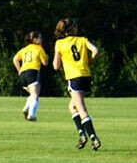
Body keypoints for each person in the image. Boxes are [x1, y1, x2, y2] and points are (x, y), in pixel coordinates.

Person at [52, 18, 101, 150]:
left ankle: (93, 137)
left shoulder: (59, 43)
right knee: (72, 107)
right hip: (86, 76)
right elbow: (95, 50)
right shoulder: (82, 40)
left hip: (74, 78)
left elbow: (55, 66)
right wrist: (90, 60)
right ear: (72, 29)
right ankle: (82, 134)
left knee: (81, 109)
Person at [13, 30, 47, 121]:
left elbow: (15, 59)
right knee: (35, 95)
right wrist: (46, 57)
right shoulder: (39, 48)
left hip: (23, 74)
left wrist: (19, 70)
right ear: (35, 39)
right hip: (32, 71)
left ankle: (26, 109)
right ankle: (31, 114)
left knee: (32, 94)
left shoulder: (24, 49)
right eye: (40, 37)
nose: (42, 39)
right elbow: (45, 63)